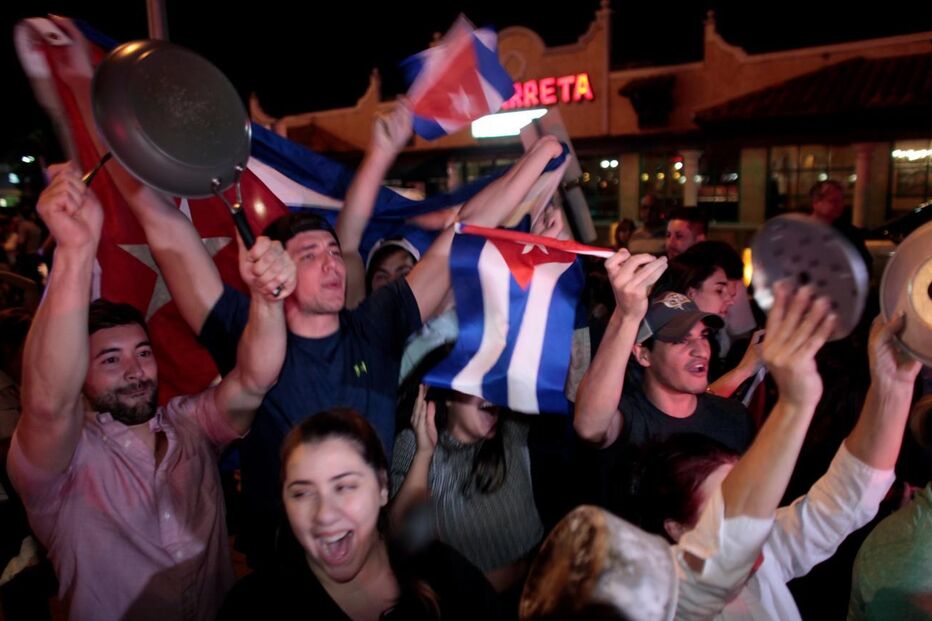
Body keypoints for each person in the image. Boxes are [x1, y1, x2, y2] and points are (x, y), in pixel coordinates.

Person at [6, 163, 293, 621]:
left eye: (142, 352)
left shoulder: (190, 425)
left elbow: (255, 379)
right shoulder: (64, 464)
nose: (135, 370)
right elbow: (46, 404)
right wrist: (76, 251)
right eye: (110, 360)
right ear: (79, 374)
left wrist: (267, 300)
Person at [522, 282, 842, 620]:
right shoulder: (630, 416)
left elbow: (756, 506)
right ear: (643, 354)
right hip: (648, 601)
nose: (700, 350)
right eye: (679, 340)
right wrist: (627, 315)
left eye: (702, 336)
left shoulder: (732, 418)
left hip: (729, 587)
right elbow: (590, 425)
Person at [625, 312, 919, 620]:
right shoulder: (663, 602)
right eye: (728, 506)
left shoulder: (760, 552)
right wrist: (796, 402)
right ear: (678, 529)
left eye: (750, 489)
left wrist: (893, 385)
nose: (754, 511)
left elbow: (849, 496)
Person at [218, 408, 502, 621]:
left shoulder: (444, 575)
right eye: (302, 493)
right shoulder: (251, 607)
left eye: (344, 486)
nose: (325, 515)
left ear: (382, 488)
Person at [391, 387, 544, 595]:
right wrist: (423, 454)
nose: (492, 387)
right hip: (475, 609)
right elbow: (400, 538)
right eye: (480, 381)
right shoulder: (417, 443)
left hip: (539, 591)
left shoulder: (512, 428)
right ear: (449, 397)